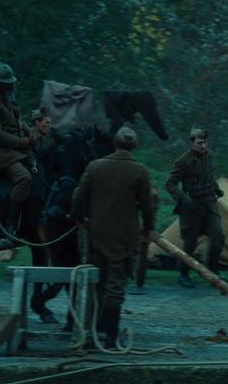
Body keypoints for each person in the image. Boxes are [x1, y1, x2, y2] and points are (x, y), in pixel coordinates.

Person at [70, 126, 155, 348]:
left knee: (98, 282)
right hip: (125, 237)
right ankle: (109, 334)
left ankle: (94, 330)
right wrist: (148, 228)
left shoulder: (95, 166)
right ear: (134, 146)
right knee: (116, 284)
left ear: (114, 143)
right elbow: (148, 206)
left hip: (97, 233)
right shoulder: (140, 171)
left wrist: (79, 218)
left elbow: (78, 196)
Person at [0, 62, 36, 233]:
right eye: (7, 84)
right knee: (24, 178)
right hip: (0, 153)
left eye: (11, 83)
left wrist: (28, 131)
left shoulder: (5, 96)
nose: (11, 86)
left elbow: (17, 119)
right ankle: (11, 225)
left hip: (15, 149)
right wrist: (20, 142)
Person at [165, 128, 225, 288]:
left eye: (205, 142)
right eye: (199, 143)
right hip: (192, 208)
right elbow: (169, 184)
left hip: (210, 204)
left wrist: (216, 188)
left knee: (218, 237)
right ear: (192, 143)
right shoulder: (183, 161)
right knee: (190, 244)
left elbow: (209, 175)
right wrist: (183, 198)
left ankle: (212, 269)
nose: (203, 146)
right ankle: (183, 274)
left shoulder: (207, 155)